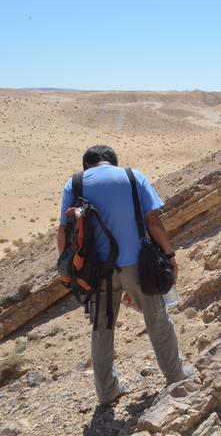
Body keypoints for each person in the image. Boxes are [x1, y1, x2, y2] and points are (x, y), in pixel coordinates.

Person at [56, 145, 193, 405]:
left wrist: (67, 270)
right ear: (113, 162)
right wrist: (170, 255)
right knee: (158, 321)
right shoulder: (133, 177)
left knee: (102, 330)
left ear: (87, 165)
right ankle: (176, 376)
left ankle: (107, 392)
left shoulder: (74, 184)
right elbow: (153, 221)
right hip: (137, 267)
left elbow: (63, 231)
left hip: (97, 272)